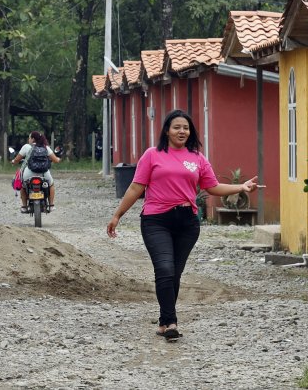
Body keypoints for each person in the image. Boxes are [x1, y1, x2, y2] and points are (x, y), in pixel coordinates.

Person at [106, 109, 262, 339]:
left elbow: (213, 187)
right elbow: (136, 187)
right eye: (177, 127)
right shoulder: (152, 155)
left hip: (187, 223)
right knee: (165, 269)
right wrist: (118, 215)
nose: (182, 131)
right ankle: (171, 323)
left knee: (174, 273)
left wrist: (241, 187)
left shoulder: (197, 158)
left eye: (186, 128)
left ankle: (163, 321)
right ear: (167, 130)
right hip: (156, 220)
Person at [12, 131, 61, 212]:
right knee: (51, 184)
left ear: (33, 139)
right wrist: (58, 159)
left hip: (29, 173)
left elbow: (17, 159)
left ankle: (24, 207)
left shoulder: (26, 147)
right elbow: (55, 160)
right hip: (44, 173)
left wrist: (13, 161)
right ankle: (51, 205)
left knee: (23, 186)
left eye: (29, 138)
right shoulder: (46, 147)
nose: (28, 139)